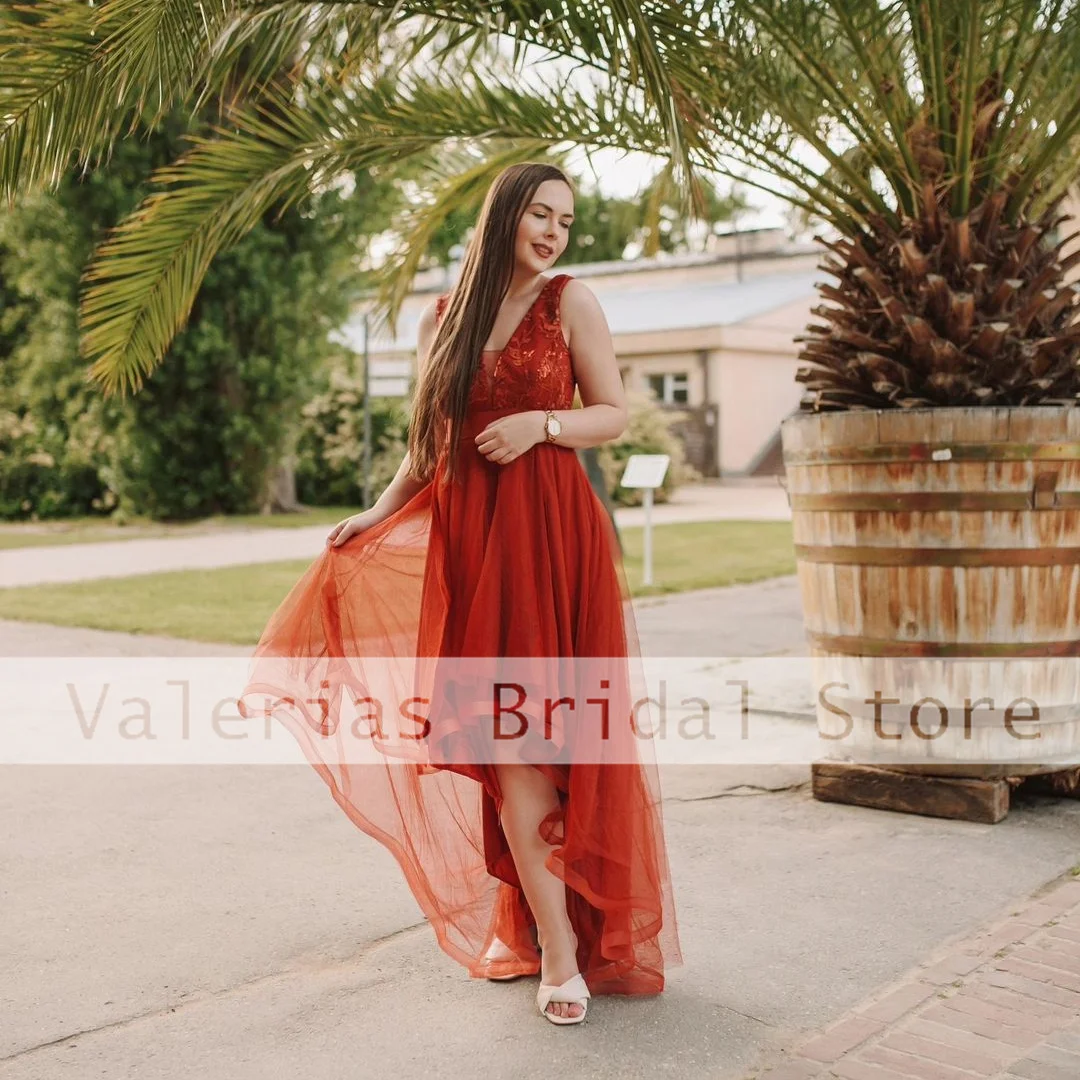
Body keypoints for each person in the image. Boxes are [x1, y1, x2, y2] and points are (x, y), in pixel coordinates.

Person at [238, 161, 682, 1026]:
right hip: (476, 554)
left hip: (554, 546)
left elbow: (615, 413)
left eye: (565, 220)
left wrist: (542, 426)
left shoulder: (570, 303)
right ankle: (554, 941)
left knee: (548, 745)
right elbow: (429, 447)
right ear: (505, 213)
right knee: (511, 747)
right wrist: (375, 511)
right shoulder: (444, 318)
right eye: (540, 215)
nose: (553, 233)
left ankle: (561, 943)